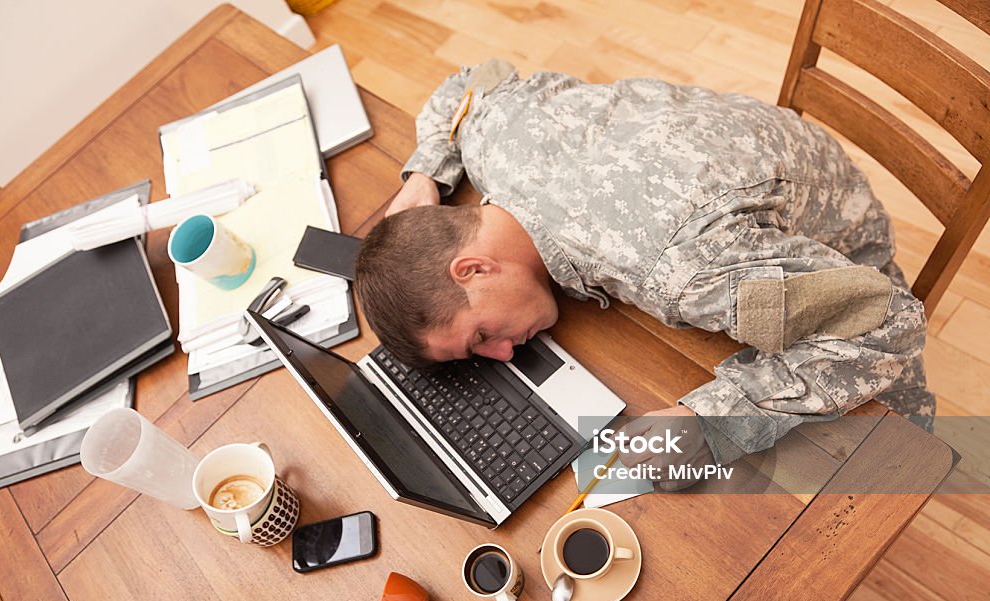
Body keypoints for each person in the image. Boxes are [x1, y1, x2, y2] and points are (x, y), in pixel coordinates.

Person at [355, 60, 934, 488]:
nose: (503, 354)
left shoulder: (683, 269)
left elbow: (889, 325)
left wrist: (707, 423)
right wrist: (424, 175)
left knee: (884, 463)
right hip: (750, 140)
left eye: (480, 336)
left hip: (836, 223)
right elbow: (466, 85)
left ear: (474, 266)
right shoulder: (490, 139)